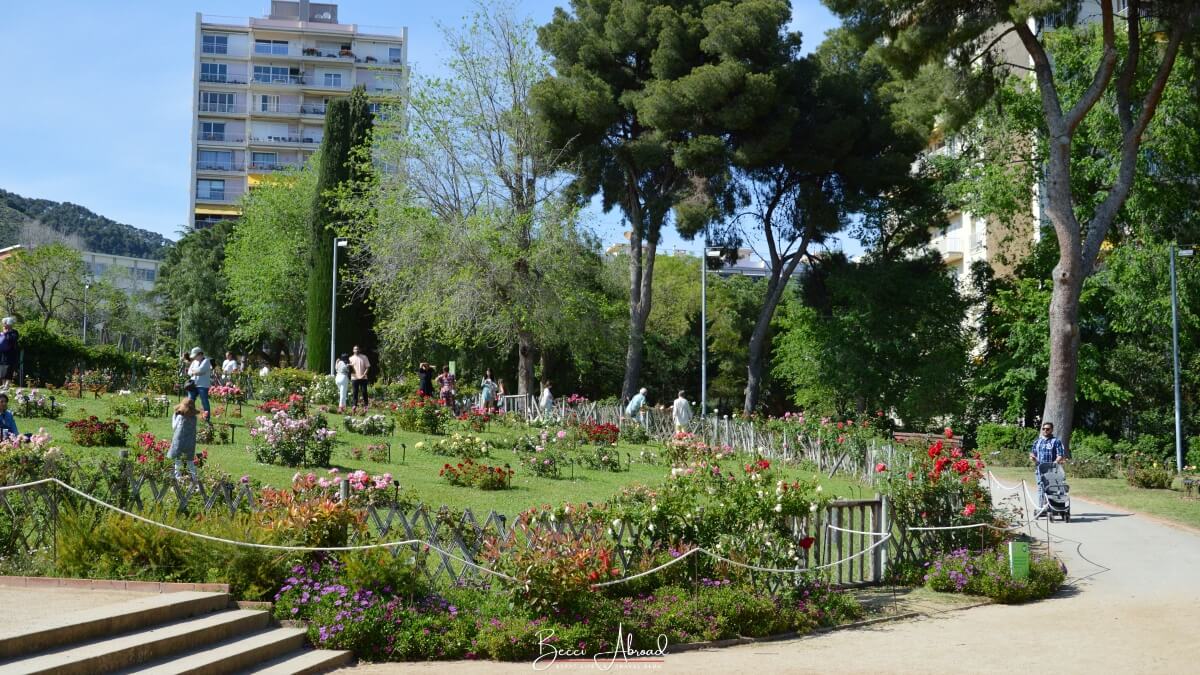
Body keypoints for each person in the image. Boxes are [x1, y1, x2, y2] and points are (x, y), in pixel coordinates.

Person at [1029, 421, 1066, 516]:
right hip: (1040, 469)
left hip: (1052, 470)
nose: (1045, 430)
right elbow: (1032, 454)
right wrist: (1033, 458)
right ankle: (1042, 508)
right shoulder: (1037, 441)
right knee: (1041, 488)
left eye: (1047, 429)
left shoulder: (1056, 441)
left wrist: (1054, 463)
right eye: (1043, 429)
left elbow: (1060, 455)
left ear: (1052, 430)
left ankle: (1052, 507)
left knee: (1051, 488)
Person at [168, 397, 200, 485]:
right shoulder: (194, 418)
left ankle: (178, 479)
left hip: (179, 442)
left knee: (178, 461)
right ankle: (195, 479)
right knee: (190, 462)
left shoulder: (180, 417)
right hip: (190, 442)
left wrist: (174, 416)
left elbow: (174, 427)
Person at [186, 347, 212, 421]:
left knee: (204, 401)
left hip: (203, 385)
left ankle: (206, 417)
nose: (194, 358)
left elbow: (201, 370)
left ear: (200, 354)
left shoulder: (206, 361)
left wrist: (196, 372)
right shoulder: (194, 362)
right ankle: (189, 415)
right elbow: (189, 372)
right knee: (190, 400)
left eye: (195, 356)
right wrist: (196, 372)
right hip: (193, 384)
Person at [349, 345, 371, 411]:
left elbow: (368, 367)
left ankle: (366, 406)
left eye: (358, 349)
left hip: (363, 378)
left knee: (364, 392)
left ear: (360, 350)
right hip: (354, 378)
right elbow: (349, 369)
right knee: (355, 392)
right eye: (355, 349)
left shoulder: (364, 357)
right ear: (353, 350)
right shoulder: (350, 358)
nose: (356, 350)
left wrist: (364, 375)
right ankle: (354, 406)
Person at [0, 318, 19, 385]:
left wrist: (6, 333)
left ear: (9, 324)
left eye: (5, 324)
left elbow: (11, 340)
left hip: (11, 354)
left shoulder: (14, 332)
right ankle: (3, 384)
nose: (4, 325)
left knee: (9, 369)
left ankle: (7, 385)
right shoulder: (3, 332)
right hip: (3, 354)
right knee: (2, 369)